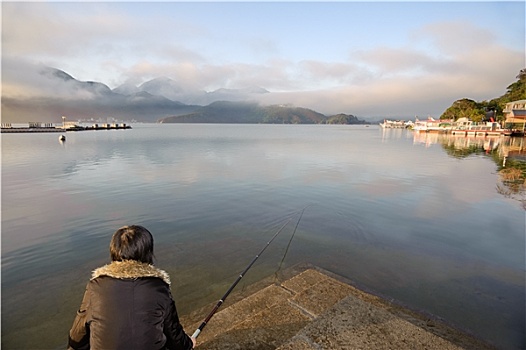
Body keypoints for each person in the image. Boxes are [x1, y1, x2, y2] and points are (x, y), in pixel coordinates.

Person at [68, 225, 196, 350]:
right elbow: (173, 333)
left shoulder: (96, 287)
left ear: (113, 251)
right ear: (147, 252)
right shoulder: (159, 287)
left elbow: (77, 335)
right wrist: (188, 344)